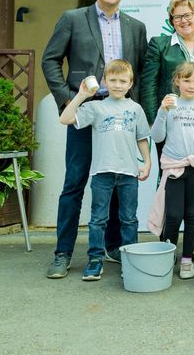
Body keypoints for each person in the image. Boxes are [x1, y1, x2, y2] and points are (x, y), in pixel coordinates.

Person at [42, 0, 148, 279]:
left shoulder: (136, 26)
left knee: (116, 181)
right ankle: (63, 253)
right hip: (86, 112)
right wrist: (67, 98)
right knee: (74, 183)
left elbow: (138, 73)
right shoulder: (73, 18)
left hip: (120, 115)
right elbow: (50, 59)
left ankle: (113, 246)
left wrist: (134, 110)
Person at [141, 0, 194, 263]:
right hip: (171, 124)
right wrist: (157, 120)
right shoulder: (161, 45)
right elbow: (149, 84)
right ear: (171, 22)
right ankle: (165, 240)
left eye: (188, 15)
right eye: (178, 17)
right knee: (170, 183)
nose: (184, 20)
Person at [58, 59, 151, 281]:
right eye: (113, 80)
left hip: (129, 173)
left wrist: (146, 162)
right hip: (102, 173)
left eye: (123, 81)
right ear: (104, 82)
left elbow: (142, 138)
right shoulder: (95, 107)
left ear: (130, 83)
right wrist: (81, 95)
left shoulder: (135, 108)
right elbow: (65, 118)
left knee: (129, 218)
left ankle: (130, 259)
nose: (118, 85)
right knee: (98, 219)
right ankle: (95, 259)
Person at [148, 62, 194, 280]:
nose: (191, 85)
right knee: (173, 214)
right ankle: (167, 255)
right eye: (187, 80)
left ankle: (187, 259)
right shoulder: (169, 105)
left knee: (192, 215)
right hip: (174, 168)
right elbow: (157, 137)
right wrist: (161, 111)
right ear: (177, 81)